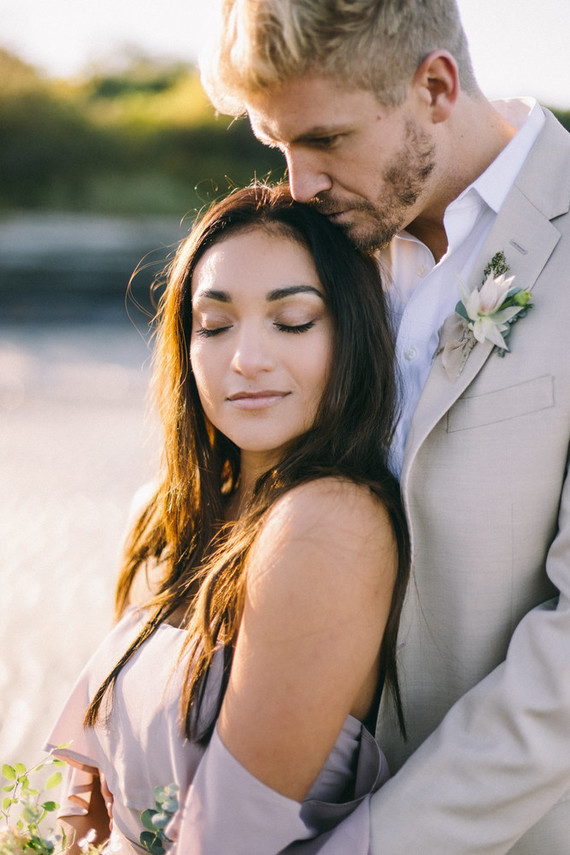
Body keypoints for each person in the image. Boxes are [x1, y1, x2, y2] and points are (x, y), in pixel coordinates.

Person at [200, 0, 570, 852]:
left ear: (435, 86)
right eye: (278, 146)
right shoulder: (322, 249)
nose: (299, 185)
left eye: (324, 140)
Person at [44, 183, 410, 854]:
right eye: (213, 325)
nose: (245, 359)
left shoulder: (329, 523)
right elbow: (94, 795)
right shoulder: (164, 516)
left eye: (293, 320)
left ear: (353, 332)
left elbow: (229, 837)